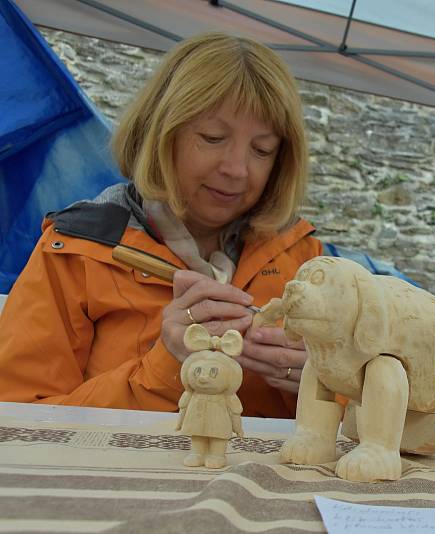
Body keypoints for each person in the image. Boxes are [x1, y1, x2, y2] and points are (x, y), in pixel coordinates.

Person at [0, 32, 322, 417]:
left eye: (262, 150)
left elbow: (373, 417)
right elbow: (18, 418)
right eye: (213, 138)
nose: (237, 170)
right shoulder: (76, 250)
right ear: (161, 133)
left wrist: (326, 383)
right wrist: (166, 369)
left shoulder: (304, 261)